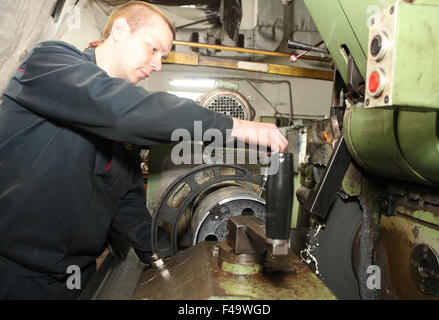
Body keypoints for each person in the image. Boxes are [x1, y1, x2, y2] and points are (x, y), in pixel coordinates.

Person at [0, 1, 288, 299]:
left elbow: (126, 206)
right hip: (15, 272)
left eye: (163, 56)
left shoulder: (125, 130)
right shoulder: (50, 63)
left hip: (73, 276)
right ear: (121, 30)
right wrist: (235, 127)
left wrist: (171, 257)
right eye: (153, 49)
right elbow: (119, 108)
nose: (158, 64)